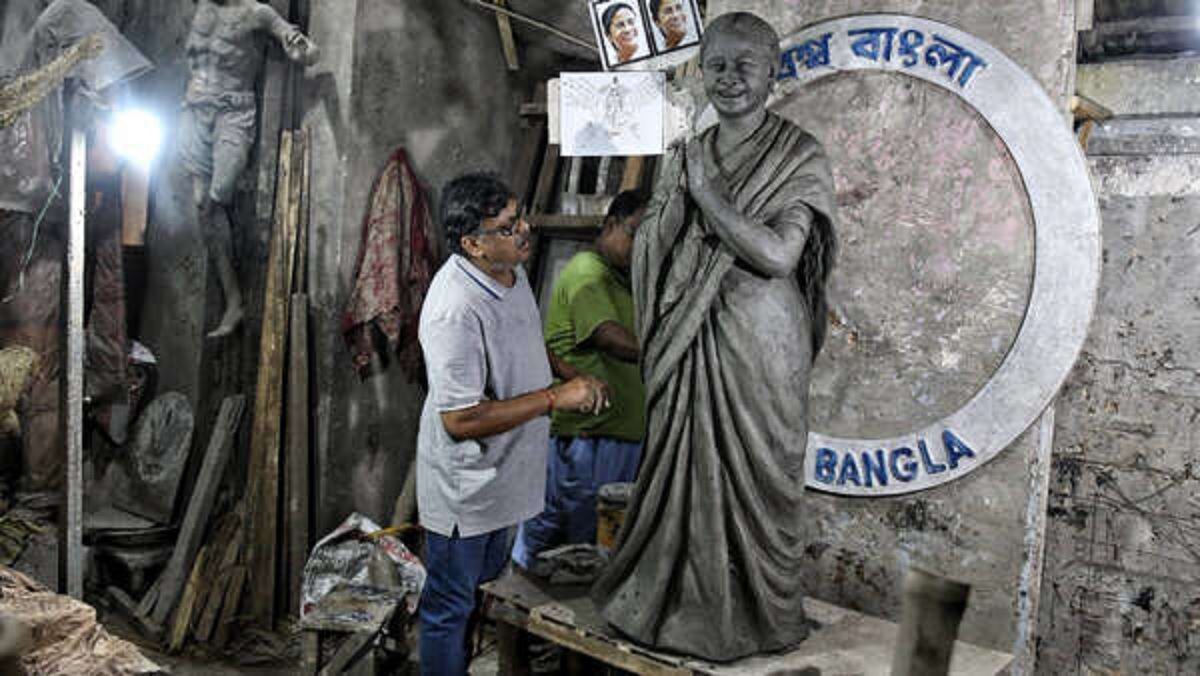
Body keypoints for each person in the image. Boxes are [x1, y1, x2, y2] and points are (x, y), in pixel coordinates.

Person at [591, 12, 837, 662]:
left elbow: (779, 255)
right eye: (717, 65)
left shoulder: (798, 155)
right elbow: (653, 244)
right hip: (689, 331)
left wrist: (707, 195)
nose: (728, 79)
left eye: (744, 65)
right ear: (701, 71)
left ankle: (759, 614)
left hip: (761, 341)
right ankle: (679, 606)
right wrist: (674, 204)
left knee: (763, 477)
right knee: (684, 467)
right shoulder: (686, 152)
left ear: (772, 72)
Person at [415, 172, 608, 676]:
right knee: (449, 608)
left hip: (507, 477)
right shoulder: (454, 308)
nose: (524, 230)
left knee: (483, 596)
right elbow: (460, 419)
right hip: (468, 489)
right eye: (507, 226)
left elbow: (524, 339)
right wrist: (555, 398)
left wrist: (566, 372)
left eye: (519, 217)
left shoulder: (510, 272)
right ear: (472, 244)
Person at [512, 191, 647, 574]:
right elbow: (608, 337)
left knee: (593, 546)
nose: (641, 247)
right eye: (635, 234)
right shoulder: (588, 271)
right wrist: (669, 350)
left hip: (617, 436)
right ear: (610, 225)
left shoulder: (624, 282)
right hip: (588, 437)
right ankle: (512, 599)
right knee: (555, 533)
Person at [180, 0, 319, 338]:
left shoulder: (257, 13)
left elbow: (308, 51)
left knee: (219, 193)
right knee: (202, 203)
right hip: (194, 109)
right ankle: (234, 300)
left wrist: (301, 49)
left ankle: (238, 298)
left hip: (233, 112)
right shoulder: (201, 4)